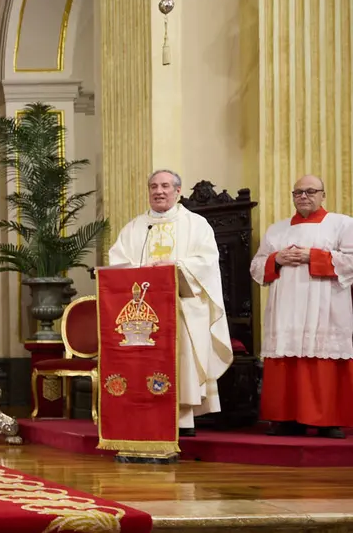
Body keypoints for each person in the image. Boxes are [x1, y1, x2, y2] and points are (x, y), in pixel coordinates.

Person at [108, 169, 232, 437]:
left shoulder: (196, 224)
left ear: (178, 191)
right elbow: (117, 262)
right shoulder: (134, 227)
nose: (158, 191)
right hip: (144, 312)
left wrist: (176, 267)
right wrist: (142, 270)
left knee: (183, 359)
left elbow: (208, 262)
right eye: (153, 186)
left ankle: (182, 419)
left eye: (165, 186)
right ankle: (144, 414)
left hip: (183, 308)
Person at [249, 175, 353, 438]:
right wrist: (277, 258)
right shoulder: (277, 229)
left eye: (310, 191)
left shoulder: (342, 224)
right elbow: (256, 267)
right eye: (298, 192)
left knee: (322, 355)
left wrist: (313, 256)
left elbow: (351, 261)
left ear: (322, 195)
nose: (303, 196)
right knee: (285, 356)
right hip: (285, 307)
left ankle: (327, 420)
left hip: (325, 305)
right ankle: (284, 418)